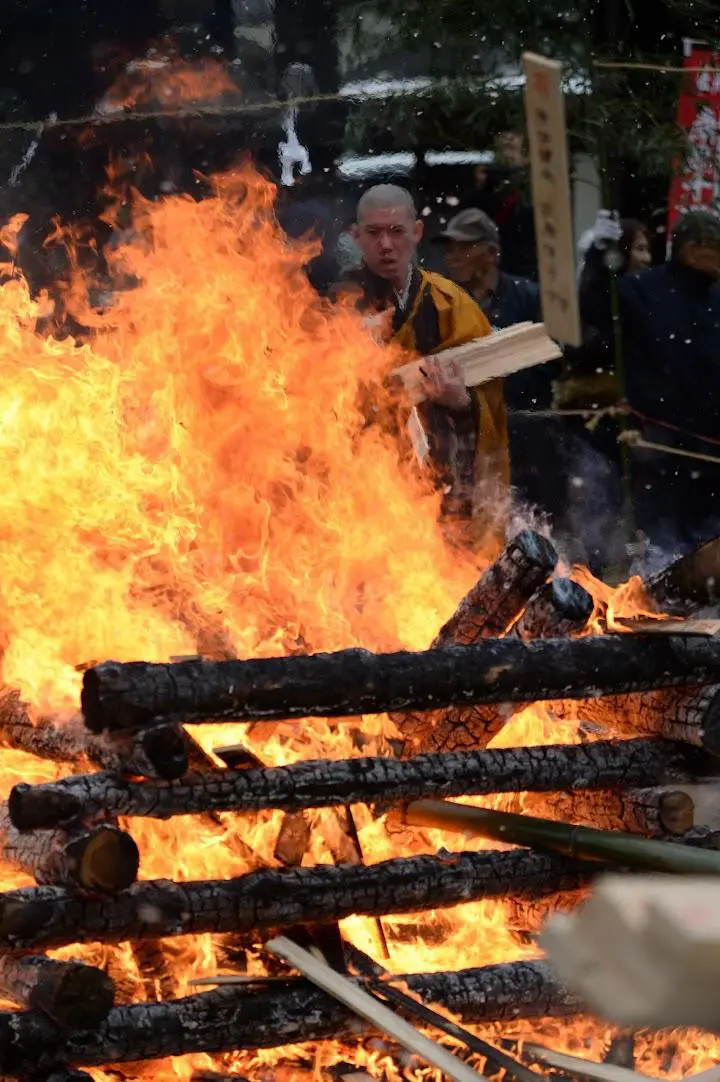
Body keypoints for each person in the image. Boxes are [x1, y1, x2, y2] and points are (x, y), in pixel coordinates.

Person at [337, 184, 509, 534]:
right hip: (366, 481)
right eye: (373, 233)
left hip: (442, 478)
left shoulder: (450, 304)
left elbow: (490, 399)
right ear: (356, 236)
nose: (386, 245)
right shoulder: (333, 308)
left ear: (416, 232)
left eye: (396, 231)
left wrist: (462, 402)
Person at [618, 209, 720, 559]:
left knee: (709, 547)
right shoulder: (640, 289)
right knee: (663, 550)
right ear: (693, 250)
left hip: (711, 450)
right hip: (659, 446)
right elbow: (592, 328)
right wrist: (600, 263)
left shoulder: (717, 297)